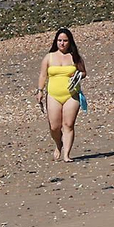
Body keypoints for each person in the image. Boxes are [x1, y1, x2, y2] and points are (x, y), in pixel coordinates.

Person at [37, 27, 89, 162]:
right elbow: (43, 75)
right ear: (56, 41)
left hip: (72, 95)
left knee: (68, 124)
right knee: (54, 126)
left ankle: (67, 154)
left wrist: (79, 75)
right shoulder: (49, 57)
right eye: (59, 40)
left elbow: (83, 72)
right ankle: (58, 144)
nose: (62, 43)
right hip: (53, 95)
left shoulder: (75, 57)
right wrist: (40, 91)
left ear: (69, 42)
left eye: (65, 41)